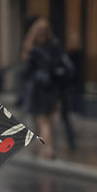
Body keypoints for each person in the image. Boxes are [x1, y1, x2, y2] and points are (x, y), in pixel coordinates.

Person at [21, 18, 70, 160]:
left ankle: (48, 149)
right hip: (53, 90)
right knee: (48, 120)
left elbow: (26, 72)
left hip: (38, 90)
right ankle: (45, 146)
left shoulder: (33, 50)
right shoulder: (55, 46)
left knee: (42, 121)